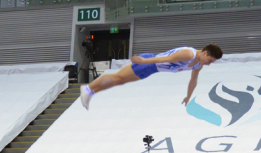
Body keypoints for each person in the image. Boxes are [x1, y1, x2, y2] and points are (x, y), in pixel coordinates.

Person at [79, 44, 223, 110]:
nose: (209, 64)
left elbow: (193, 80)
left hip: (152, 69)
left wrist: (188, 96)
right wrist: (144, 61)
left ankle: (90, 91)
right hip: (150, 62)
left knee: (120, 81)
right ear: (205, 53)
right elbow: (165, 59)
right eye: (210, 61)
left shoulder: (198, 65)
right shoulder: (188, 54)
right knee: (118, 78)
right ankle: (88, 89)